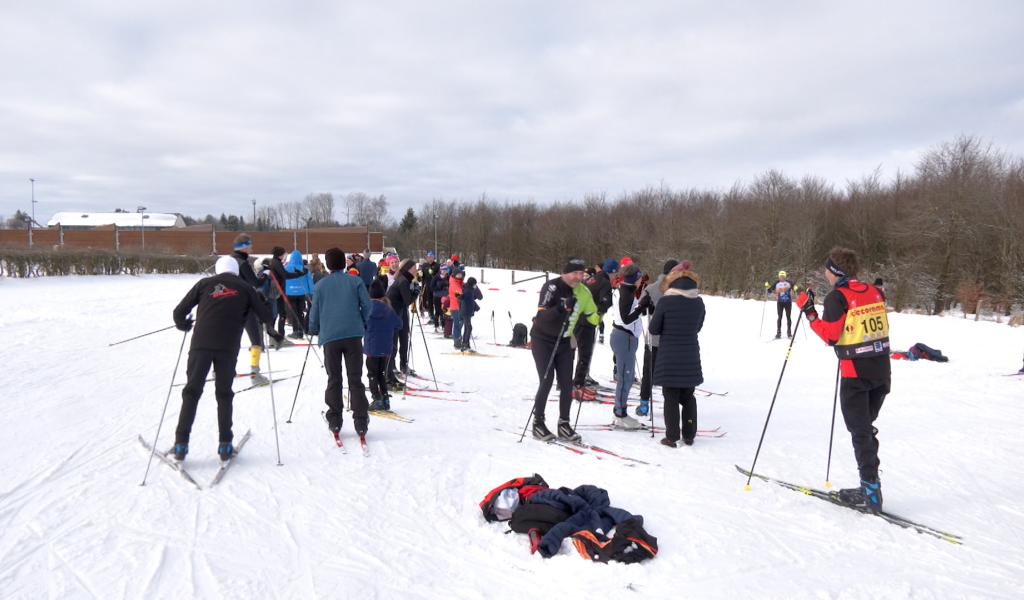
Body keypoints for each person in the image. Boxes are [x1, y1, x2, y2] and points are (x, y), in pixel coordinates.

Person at [796, 247, 890, 512]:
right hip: (881, 370)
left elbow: (830, 336)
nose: (824, 273)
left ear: (834, 271)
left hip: (856, 372)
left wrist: (810, 312)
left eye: (826, 269)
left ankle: (870, 491)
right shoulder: (874, 291)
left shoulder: (838, 297)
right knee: (865, 428)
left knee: (860, 431)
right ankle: (870, 485)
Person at [171, 256, 277, 461]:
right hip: (228, 347)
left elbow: (178, 312)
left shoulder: (204, 284)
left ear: (218, 270)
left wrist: (183, 324)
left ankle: (181, 444)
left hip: (201, 345)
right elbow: (266, 317)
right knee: (224, 394)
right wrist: (260, 303)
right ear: (236, 270)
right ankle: (225, 445)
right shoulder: (245, 287)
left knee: (192, 392)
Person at [308, 247, 374, 437]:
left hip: (330, 337)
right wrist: (361, 321)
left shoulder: (320, 285)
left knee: (334, 378)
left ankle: (335, 419)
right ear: (344, 264)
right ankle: (361, 420)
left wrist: (313, 327)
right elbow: (367, 306)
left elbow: (315, 312)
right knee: (355, 379)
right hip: (353, 336)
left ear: (327, 265)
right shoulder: (355, 281)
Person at [529, 258, 587, 442]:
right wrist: (560, 308)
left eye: (581, 273)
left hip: (563, 341)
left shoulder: (579, 290)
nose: (578, 277)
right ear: (565, 273)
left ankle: (564, 423)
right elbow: (541, 316)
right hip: (542, 340)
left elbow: (587, 309)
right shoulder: (552, 287)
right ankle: (538, 422)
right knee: (546, 380)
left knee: (566, 383)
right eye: (574, 273)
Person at [649, 265, 705, 447]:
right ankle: (689, 434)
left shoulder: (666, 302)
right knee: (689, 396)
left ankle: (672, 436)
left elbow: (654, 328)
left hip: (669, 356)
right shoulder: (698, 302)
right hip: (690, 354)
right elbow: (697, 327)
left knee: (670, 396)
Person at [637, 259, 680, 417]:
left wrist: (647, 306)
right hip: (671, 340)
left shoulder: (651, 288)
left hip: (653, 339)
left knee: (648, 371)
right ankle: (670, 405)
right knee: (668, 373)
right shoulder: (678, 289)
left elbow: (640, 311)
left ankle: (643, 404)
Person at [610, 264, 648, 430]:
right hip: (624, 338)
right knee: (625, 378)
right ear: (634, 279)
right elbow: (626, 319)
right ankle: (620, 414)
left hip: (626, 338)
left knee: (626, 376)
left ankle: (620, 411)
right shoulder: (626, 292)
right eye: (639, 278)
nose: (641, 281)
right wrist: (641, 307)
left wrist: (641, 306)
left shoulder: (626, 289)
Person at [364, 279, 403, 411]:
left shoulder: (367, 309)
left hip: (372, 348)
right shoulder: (388, 309)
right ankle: (385, 398)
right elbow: (399, 324)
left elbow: (361, 325)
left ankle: (377, 398)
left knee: (372, 374)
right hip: (386, 348)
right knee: (381, 373)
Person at [385, 259, 418, 384]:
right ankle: (391, 367)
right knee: (394, 340)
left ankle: (403, 365)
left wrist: (414, 289)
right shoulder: (403, 280)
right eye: (414, 268)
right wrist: (415, 293)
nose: (416, 271)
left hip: (401, 311)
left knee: (404, 338)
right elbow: (407, 300)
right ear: (409, 269)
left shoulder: (406, 279)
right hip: (392, 313)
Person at [571, 274, 600, 400]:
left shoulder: (585, 290)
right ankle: (575, 386)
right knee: (579, 355)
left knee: (582, 355)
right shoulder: (576, 289)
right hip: (578, 325)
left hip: (580, 324)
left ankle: (577, 384)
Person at [283, 250, 313, 338]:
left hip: (289, 293)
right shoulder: (305, 270)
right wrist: (311, 292)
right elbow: (310, 282)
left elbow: (283, 280)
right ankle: (301, 330)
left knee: (293, 312)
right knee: (300, 312)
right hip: (302, 293)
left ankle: (296, 331)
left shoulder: (286, 268)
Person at [593, 260, 617, 344]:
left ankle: (601, 334)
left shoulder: (595, 277)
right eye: (615, 273)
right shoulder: (604, 281)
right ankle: (601, 335)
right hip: (590, 315)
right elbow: (604, 300)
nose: (615, 276)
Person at [459, 276, 484, 352]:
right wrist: (456, 294)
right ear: (472, 284)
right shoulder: (468, 291)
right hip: (466, 312)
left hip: (468, 311)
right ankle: (465, 344)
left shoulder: (470, 289)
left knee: (467, 327)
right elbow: (463, 298)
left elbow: (480, 297)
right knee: (469, 327)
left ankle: (466, 343)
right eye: (475, 284)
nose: (475, 285)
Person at [769, 270, 795, 339]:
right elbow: (770, 289)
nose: (782, 278)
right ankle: (778, 333)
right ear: (779, 277)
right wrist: (767, 287)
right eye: (781, 276)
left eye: (783, 276)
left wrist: (795, 288)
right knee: (779, 317)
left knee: (788, 317)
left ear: (785, 277)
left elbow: (795, 287)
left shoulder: (789, 282)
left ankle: (789, 333)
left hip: (788, 303)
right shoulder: (776, 283)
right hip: (780, 303)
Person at [419, 252, 440, 325]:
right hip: (427, 286)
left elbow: (440, 275)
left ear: (434, 258)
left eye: (431, 257)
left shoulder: (437, 265)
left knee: (436, 302)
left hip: (435, 287)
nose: (430, 259)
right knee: (429, 302)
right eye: (428, 257)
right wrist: (420, 275)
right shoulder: (424, 265)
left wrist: (433, 274)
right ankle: (431, 316)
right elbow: (422, 276)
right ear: (427, 258)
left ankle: (437, 316)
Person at [449, 268, 465, 349]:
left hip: (459, 306)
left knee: (460, 323)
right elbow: (459, 295)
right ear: (454, 275)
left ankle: (457, 338)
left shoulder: (459, 282)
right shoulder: (454, 284)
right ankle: (457, 341)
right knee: (458, 324)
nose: (459, 276)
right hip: (456, 307)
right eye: (458, 274)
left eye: (460, 274)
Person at [433, 265, 450, 333]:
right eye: (443, 270)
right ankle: (436, 326)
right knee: (437, 311)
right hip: (437, 296)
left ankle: (444, 326)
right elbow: (432, 287)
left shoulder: (448, 277)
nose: (444, 272)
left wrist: (447, 288)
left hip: (445, 297)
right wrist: (439, 287)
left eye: (445, 270)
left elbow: (450, 286)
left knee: (444, 311)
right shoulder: (436, 277)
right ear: (440, 270)